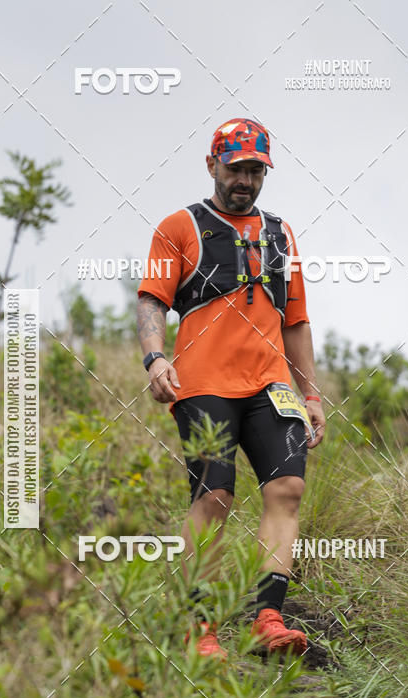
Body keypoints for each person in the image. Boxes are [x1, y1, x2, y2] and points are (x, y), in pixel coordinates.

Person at [137, 117, 326, 659]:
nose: (245, 179)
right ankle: (200, 627)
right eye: (236, 167)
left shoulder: (280, 233)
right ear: (212, 164)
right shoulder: (179, 226)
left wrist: (310, 395)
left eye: (255, 170)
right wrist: (155, 359)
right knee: (214, 494)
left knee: (286, 490)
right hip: (203, 385)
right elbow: (152, 298)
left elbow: (296, 321)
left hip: (271, 385)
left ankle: (268, 617)